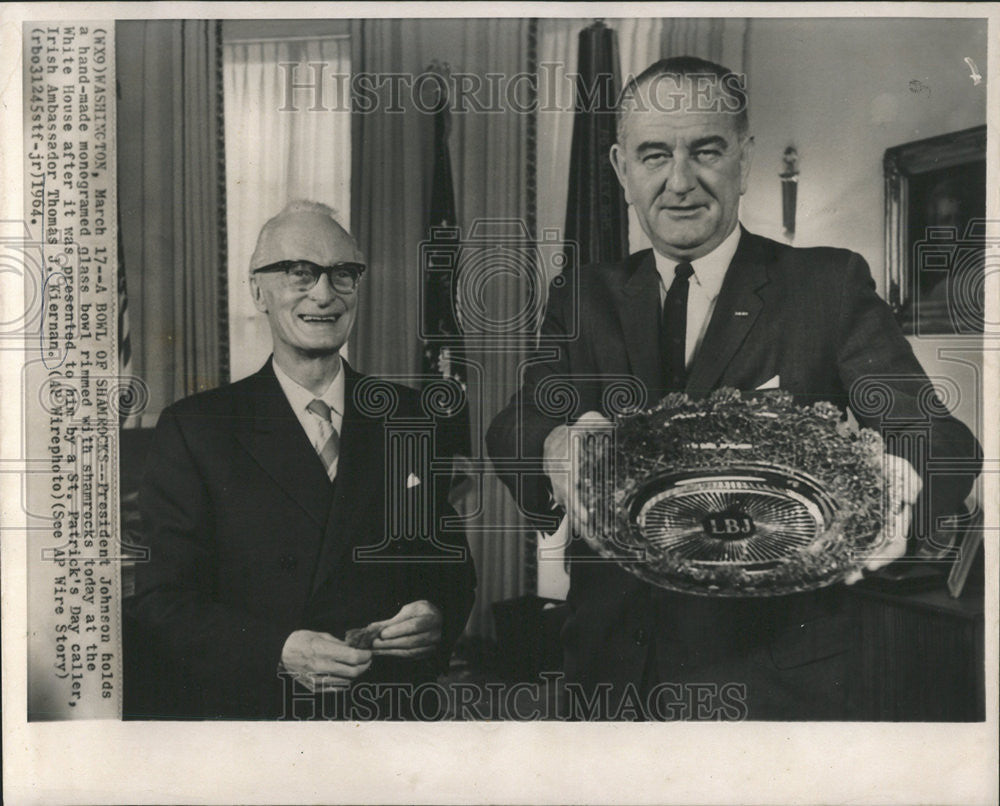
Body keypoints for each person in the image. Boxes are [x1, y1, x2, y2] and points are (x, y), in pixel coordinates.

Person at [486, 57, 980, 720]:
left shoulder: (825, 286)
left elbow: (943, 442)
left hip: (769, 692)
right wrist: (557, 446)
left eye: (706, 149)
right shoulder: (584, 297)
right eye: (654, 154)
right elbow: (514, 425)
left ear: (744, 158)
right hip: (607, 680)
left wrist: (894, 478)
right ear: (620, 166)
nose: (680, 181)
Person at [128, 200, 476, 719]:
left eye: (343, 274)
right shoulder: (197, 428)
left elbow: (450, 567)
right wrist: (279, 651)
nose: (324, 294)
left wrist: (435, 615)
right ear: (257, 290)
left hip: (385, 718)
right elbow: (162, 602)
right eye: (299, 273)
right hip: (255, 717)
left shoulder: (412, 417)